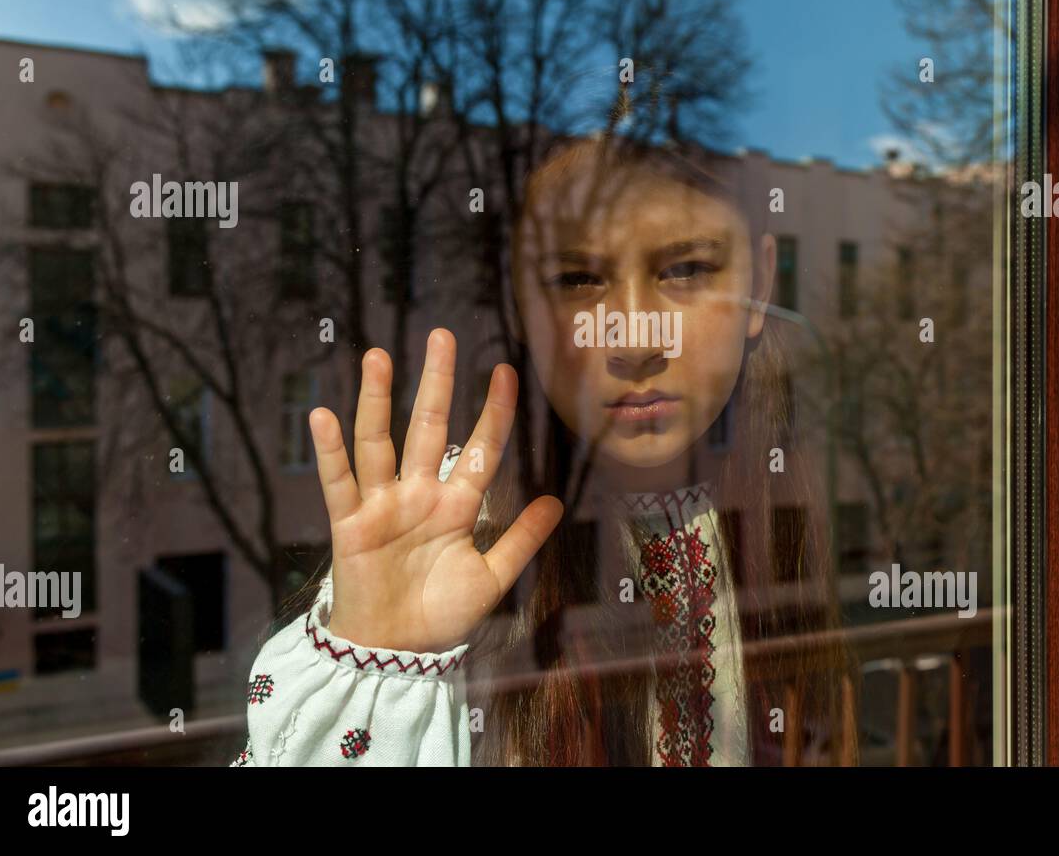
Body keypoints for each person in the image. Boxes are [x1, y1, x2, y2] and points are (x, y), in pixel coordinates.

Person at [233, 122, 855, 767]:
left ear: (758, 288)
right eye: (579, 280)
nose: (635, 339)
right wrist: (380, 655)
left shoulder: (773, 507)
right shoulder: (453, 530)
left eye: (686, 269)